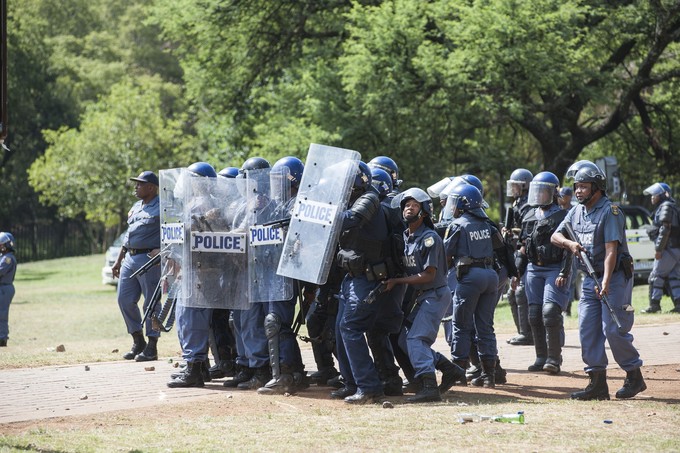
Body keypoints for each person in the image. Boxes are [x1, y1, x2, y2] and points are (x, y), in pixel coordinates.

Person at [551, 160, 646, 400]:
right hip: (589, 278)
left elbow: (611, 250)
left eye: (583, 186)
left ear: (597, 187)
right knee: (587, 329)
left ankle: (634, 375)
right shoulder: (576, 210)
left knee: (613, 328)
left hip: (612, 278)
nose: (578, 191)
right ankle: (597, 383)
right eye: (576, 187)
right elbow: (555, 235)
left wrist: (603, 282)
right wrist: (569, 243)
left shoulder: (610, 211)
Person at [384, 187, 462, 403]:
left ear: (424, 212)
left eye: (415, 205)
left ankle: (429, 387)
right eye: (406, 205)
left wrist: (397, 281)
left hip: (435, 294)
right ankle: (449, 368)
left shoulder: (429, 238)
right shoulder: (406, 236)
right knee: (403, 340)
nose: (409, 208)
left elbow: (429, 275)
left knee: (416, 339)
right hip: (423, 296)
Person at [331, 162, 395, 404]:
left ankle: (369, 387)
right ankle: (351, 383)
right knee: (340, 329)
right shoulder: (350, 201)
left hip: (369, 278)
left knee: (351, 327)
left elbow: (352, 219)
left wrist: (320, 212)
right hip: (352, 277)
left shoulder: (369, 198)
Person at [442, 184, 500, 388]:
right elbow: (498, 245)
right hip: (490, 275)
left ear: (463, 204)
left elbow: (445, 253)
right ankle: (489, 376)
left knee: (461, 325)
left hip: (470, 277)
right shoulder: (487, 224)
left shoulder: (458, 224)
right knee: (485, 327)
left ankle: (458, 373)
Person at [517, 172, 573, 375]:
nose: (539, 195)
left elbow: (569, 248)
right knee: (534, 314)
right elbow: (523, 246)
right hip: (533, 268)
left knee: (550, 312)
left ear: (553, 192)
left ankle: (554, 358)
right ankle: (540, 357)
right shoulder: (529, 215)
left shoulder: (563, 215)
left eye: (543, 191)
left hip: (555, 268)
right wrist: (517, 272)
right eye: (536, 191)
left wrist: (565, 272)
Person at [112, 171, 162, 362]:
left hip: (149, 259)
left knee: (151, 303)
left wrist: (163, 249)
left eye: (140, 184)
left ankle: (152, 346)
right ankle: (138, 340)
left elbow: (175, 230)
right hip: (130, 259)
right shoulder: (135, 206)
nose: (136, 187)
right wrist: (119, 259)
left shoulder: (162, 207)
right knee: (124, 300)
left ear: (151, 187)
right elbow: (128, 235)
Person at [503, 168, 534, 346]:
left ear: (524, 186)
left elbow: (526, 231)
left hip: (527, 254)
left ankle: (527, 334)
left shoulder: (529, 204)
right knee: (512, 294)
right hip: (517, 253)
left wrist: (513, 233)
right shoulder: (516, 204)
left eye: (516, 185)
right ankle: (522, 332)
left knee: (521, 293)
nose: (512, 188)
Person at [641, 182, 680, 313]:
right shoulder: (671, 206)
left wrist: (659, 249)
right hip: (675, 249)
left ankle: (654, 305)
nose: (652, 197)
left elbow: (665, 230)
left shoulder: (666, 207)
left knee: (655, 276)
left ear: (663, 195)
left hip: (668, 249)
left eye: (655, 194)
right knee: (674, 277)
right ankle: (679, 305)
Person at [0, 232, 17, 347]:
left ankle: (2, 338)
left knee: (2, 313)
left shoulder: (8, 258)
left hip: (4, 288)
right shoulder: (3, 257)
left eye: (1, 245)